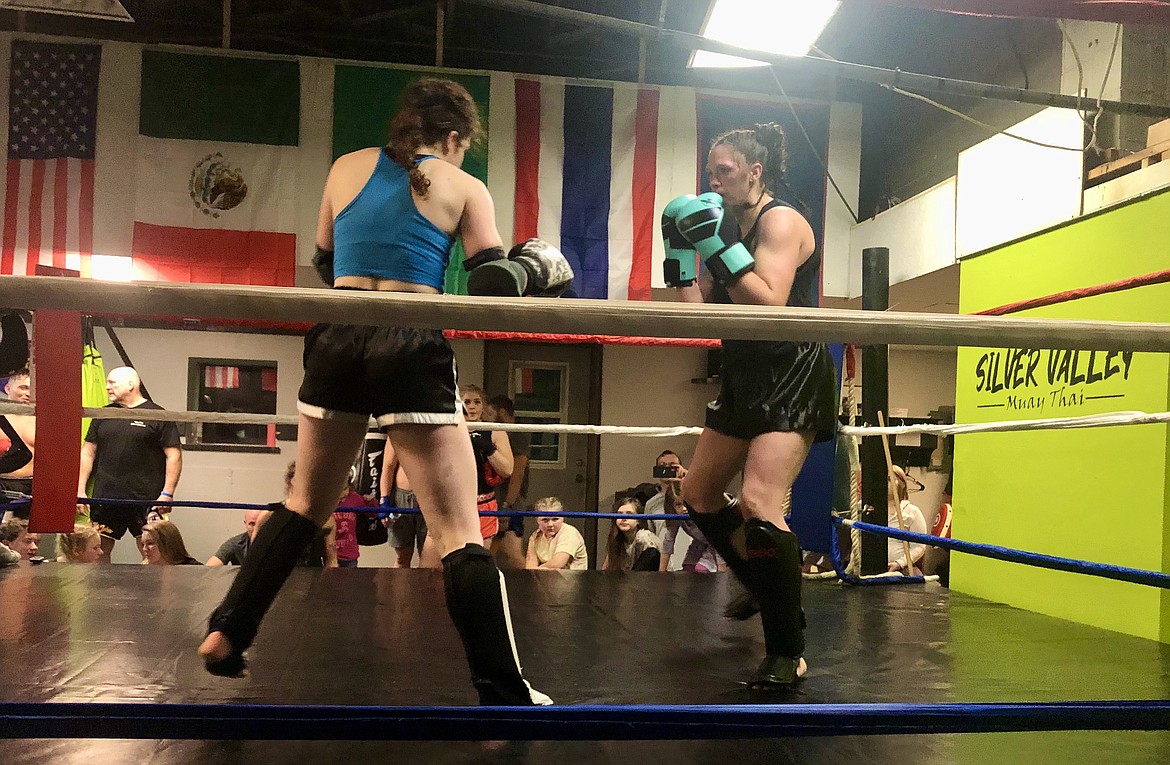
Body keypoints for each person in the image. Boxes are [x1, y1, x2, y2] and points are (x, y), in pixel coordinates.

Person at [199, 77, 569, 706]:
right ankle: (504, 689)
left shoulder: (346, 168)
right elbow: (492, 287)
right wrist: (535, 267)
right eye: (460, 146)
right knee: (458, 532)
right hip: (409, 337)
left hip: (336, 334)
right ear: (454, 137)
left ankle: (228, 633)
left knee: (304, 504)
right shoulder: (464, 186)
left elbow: (324, 259)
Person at [663, 122, 838, 688]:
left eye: (724, 171)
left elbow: (769, 300)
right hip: (743, 373)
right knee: (697, 491)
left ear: (755, 173)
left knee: (761, 501)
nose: (712, 181)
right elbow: (695, 309)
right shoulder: (730, 225)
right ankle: (764, 587)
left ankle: (789, 650)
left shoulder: (781, 221)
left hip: (790, 368)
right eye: (709, 172)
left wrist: (714, 242)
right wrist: (678, 249)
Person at [77, 367, 183, 563]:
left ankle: (152, 594)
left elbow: (174, 455)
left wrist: (167, 493)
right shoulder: (102, 414)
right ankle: (100, 594)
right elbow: (88, 452)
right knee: (97, 550)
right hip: (106, 498)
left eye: (112, 383)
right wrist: (80, 490)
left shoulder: (158, 415)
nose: (107, 387)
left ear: (131, 385)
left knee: (153, 551)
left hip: (145, 499)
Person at [462, 384, 513, 546]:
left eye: (477, 402)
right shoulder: (450, 430)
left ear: (483, 405)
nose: (471, 406)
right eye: (467, 402)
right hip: (455, 503)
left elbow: (507, 470)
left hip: (483, 502)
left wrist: (489, 448)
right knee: (437, 560)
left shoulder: (494, 431)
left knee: (480, 559)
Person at [489, 395, 530, 570]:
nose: (488, 417)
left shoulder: (516, 437)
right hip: (494, 500)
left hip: (509, 503)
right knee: (489, 553)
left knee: (513, 555)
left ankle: (531, 591)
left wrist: (508, 505)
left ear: (502, 412)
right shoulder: (496, 433)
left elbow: (517, 474)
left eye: (490, 413)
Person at [659, 484, 724, 573]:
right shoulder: (676, 517)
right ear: (671, 507)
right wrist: (661, 572)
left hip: (721, 545)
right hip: (700, 545)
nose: (684, 509)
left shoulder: (705, 513)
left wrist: (722, 575)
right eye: (678, 505)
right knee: (688, 568)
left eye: (686, 503)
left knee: (702, 569)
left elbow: (719, 540)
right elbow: (668, 540)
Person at [0, 369, 35, 519]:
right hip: (2, 484)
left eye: (33, 389)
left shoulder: (42, 420)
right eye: (23, 387)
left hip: (31, 486)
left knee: (26, 536)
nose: (28, 393)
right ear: (8, 388)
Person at [525, 497, 588, 571]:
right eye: (545, 520)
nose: (550, 524)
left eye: (555, 519)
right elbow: (530, 563)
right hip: (546, 579)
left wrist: (536, 571)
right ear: (537, 520)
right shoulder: (535, 536)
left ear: (563, 518)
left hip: (571, 580)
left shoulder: (569, 533)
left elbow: (557, 563)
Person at [887, 465, 928, 575]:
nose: (885, 483)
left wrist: (900, 563)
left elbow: (919, 546)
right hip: (870, 569)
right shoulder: (867, 509)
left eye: (889, 479)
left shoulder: (912, 512)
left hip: (903, 570)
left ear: (902, 484)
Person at [602, 497, 661, 572]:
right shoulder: (616, 539)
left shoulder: (644, 537)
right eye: (619, 514)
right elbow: (606, 568)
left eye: (629, 514)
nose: (623, 518)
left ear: (638, 520)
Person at [643, 450, 686, 540]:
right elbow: (651, 536)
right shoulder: (651, 504)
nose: (666, 469)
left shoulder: (692, 497)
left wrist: (687, 476)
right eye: (662, 466)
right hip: (664, 550)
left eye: (672, 465)